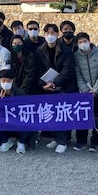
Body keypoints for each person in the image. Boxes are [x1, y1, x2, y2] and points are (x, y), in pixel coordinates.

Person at [34, 23, 76, 153]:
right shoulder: (40, 50)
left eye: (53, 33)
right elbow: (38, 69)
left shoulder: (66, 50)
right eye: (47, 33)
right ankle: (57, 138)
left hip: (64, 85)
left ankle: (63, 141)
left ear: (57, 34)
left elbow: (68, 70)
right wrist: (43, 84)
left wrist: (55, 83)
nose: (50, 36)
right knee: (50, 113)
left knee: (61, 113)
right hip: (47, 86)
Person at [73, 32, 98, 152]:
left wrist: (96, 89)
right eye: (80, 42)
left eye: (84, 41)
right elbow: (77, 74)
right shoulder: (76, 56)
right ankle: (81, 141)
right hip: (84, 93)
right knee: (82, 116)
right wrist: (85, 90)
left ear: (89, 40)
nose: (83, 44)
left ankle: (95, 141)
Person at [0, 69, 31, 154]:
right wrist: (0, 103)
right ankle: (5, 141)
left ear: (12, 81)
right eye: (3, 81)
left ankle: (21, 142)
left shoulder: (20, 93)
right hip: (4, 121)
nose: (5, 83)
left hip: (17, 120)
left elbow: (25, 110)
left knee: (28, 121)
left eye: (8, 81)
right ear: (0, 81)